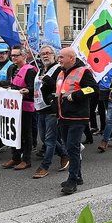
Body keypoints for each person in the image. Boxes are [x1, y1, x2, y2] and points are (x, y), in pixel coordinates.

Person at [55, 47, 97, 195]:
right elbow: (60, 92)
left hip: (77, 117)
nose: (59, 59)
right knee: (69, 147)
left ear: (71, 58)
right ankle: (78, 175)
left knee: (72, 148)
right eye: (59, 57)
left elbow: (93, 89)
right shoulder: (61, 73)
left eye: (61, 57)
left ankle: (72, 180)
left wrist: (77, 95)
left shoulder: (83, 71)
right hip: (63, 116)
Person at [33, 46, 70, 178]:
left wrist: (48, 81)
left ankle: (45, 166)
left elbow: (62, 85)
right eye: (42, 54)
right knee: (43, 137)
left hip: (52, 109)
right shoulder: (41, 69)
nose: (45, 55)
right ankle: (64, 153)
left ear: (54, 55)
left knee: (49, 139)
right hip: (41, 108)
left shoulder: (59, 69)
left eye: (48, 53)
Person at [5, 47, 38, 169]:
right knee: (13, 132)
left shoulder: (30, 70)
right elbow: (10, 84)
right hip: (14, 107)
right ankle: (15, 157)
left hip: (26, 107)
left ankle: (26, 160)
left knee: (25, 133)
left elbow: (34, 87)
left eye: (16, 55)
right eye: (12, 55)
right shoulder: (12, 68)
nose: (13, 57)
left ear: (24, 56)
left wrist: (28, 90)